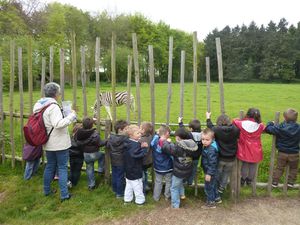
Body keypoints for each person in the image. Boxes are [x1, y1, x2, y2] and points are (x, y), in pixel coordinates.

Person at [34, 82, 76, 201]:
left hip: (47, 141)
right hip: (59, 143)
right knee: (62, 168)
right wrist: (71, 116)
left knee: (50, 166)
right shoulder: (53, 106)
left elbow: (47, 121)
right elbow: (58, 124)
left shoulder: (39, 104)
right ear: (56, 93)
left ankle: (47, 191)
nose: (60, 94)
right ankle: (64, 195)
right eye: (59, 92)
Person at [162, 127, 198, 208]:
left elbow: (166, 148)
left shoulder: (178, 147)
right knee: (180, 182)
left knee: (174, 187)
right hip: (187, 170)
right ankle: (182, 195)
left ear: (178, 137)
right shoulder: (192, 144)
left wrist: (166, 142)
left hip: (179, 172)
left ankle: (175, 205)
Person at [265, 108, 300, 188]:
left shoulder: (280, 128)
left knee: (279, 168)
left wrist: (270, 123)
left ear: (285, 118)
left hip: (282, 152)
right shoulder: (298, 128)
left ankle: (274, 182)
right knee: (294, 168)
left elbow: (268, 129)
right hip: (294, 153)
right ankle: (290, 182)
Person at [206, 112, 240, 193]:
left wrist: (208, 118)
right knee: (226, 173)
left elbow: (210, 127)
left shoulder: (217, 130)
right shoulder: (236, 130)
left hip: (221, 157)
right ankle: (221, 187)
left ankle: (215, 186)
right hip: (231, 158)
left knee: (218, 173)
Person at [233, 108, 265, 186]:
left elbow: (234, 121)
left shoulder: (242, 123)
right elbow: (265, 127)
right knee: (253, 165)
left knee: (245, 164)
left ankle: (243, 179)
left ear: (248, 114)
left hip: (245, 149)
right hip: (256, 150)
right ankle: (249, 180)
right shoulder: (260, 126)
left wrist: (239, 118)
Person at [76, 117, 106, 190]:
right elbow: (100, 143)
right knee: (102, 155)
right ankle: (100, 169)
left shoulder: (79, 133)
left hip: (85, 154)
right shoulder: (94, 134)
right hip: (94, 153)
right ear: (92, 125)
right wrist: (107, 140)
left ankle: (91, 185)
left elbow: (77, 141)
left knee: (89, 169)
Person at [123, 125, 148, 205]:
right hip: (135, 169)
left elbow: (133, 151)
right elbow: (136, 155)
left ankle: (127, 199)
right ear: (131, 135)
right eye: (137, 133)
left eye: (139, 133)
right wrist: (144, 148)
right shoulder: (134, 145)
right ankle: (140, 201)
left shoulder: (128, 142)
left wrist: (140, 146)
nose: (140, 134)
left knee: (129, 186)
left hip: (128, 169)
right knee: (138, 187)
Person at [107, 120, 129, 198]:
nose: (127, 130)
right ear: (120, 130)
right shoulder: (125, 139)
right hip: (121, 161)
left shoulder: (111, 137)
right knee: (120, 176)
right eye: (126, 129)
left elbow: (108, 145)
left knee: (114, 174)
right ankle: (119, 193)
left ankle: (115, 189)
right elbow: (127, 146)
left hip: (113, 160)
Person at [151, 125, 173, 201]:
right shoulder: (166, 143)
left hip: (157, 166)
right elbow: (171, 151)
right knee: (169, 181)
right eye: (169, 133)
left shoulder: (155, 139)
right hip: (168, 166)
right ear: (167, 133)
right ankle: (167, 196)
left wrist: (158, 134)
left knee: (158, 182)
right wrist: (170, 143)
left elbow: (152, 143)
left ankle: (156, 197)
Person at [178, 117, 202, 186]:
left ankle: (184, 181)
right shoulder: (202, 135)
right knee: (194, 170)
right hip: (197, 157)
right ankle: (190, 182)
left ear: (191, 129)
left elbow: (182, 130)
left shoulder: (189, 134)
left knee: (186, 169)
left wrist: (180, 122)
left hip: (189, 156)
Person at [201, 128, 220, 209]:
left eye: (207, 140)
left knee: (208, 187)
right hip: (212, 171)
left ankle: (210, 203)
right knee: (213, 185)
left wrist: (209, 173)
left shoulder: (211, 149)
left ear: (212, 139)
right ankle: (217, 198)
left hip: (210, 172)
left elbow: (212, 163)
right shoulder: (209, 146)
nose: (204, 141)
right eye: (203, 139)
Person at [140, 122, 154, 193]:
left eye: (140, 128)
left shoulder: (141, 139)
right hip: (149, 160)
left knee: (142, 174)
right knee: (145, 172)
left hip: (143, 161)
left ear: (143, 130)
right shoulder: (150, 136)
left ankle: (144, 187)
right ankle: (146, 185)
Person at [68, 123, 84, 188]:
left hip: (71, 156)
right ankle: (74, 182)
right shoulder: (81, 139)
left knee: (72, 169)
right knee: (77, 170)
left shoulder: (70, 137)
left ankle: (70, 180)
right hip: (79, 156)